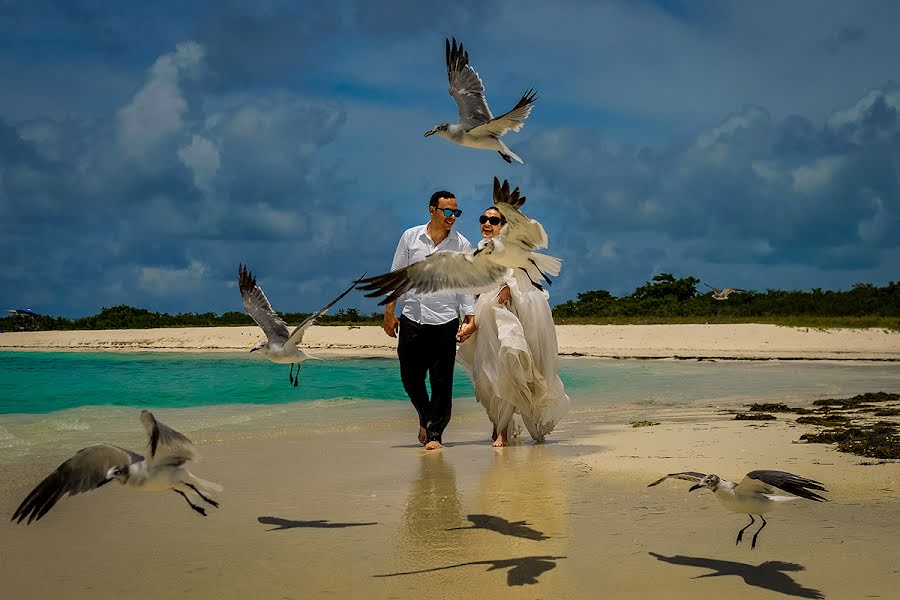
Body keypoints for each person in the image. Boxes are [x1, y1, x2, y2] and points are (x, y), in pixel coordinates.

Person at [457, 206, 571, 447]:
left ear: (503, 226)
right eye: (483, 219)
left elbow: (520, 276)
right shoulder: (480, 250)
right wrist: (471, 322)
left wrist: (508, 289)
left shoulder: (513, 249)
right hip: (488, 318)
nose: (487, 224)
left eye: (494, 220)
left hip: (513, 316)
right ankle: (500, 425)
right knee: (490, 372)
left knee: (510, 367)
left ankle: (502, 432)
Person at [382, 190, 476, 450]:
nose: (453, 217)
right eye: (448, 211)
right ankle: (425, 415)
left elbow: (466, 286)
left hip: (445, 321)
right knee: (410, 378)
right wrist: (390, 312)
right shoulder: (410, 237)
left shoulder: (462, 245)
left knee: (441, 382)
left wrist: (470, 318)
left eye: (456, 212)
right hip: (412, 316)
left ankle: (435, 435)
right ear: (432, 210)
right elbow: (397, 276)